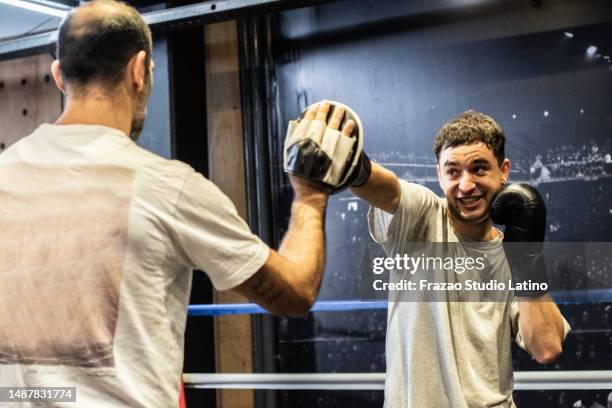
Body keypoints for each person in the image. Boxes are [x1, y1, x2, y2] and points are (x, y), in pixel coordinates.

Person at [0, 1, 355, 406]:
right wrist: (309, 198)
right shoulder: (166, 187)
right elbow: (294, 292)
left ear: (59, 76)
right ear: (139, 70)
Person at [286, 107, 570, 407]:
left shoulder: (513, 253)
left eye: (479, 168)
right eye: (452, 171)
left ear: (503, 171)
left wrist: (525, 258)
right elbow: (387, 189)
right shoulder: (422, 216)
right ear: (439, 174)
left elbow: (547, 347)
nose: (465, 185)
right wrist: (352, 165)